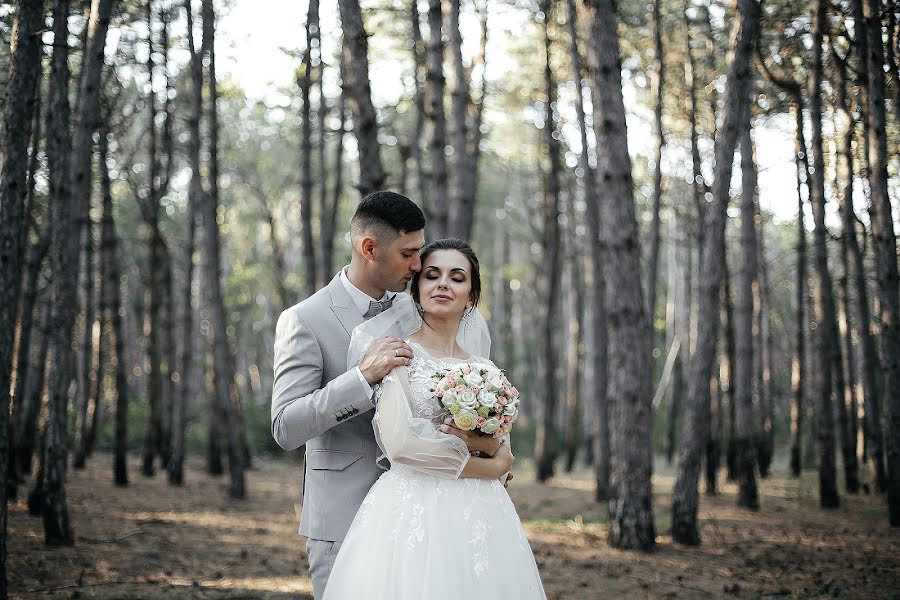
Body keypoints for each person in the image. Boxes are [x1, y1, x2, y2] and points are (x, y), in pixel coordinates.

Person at [271, 193, 510, 598]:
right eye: (409, 254)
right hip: (343, 517)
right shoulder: (305, 321)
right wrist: (361, 379)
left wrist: (487, 446)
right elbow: (285, 427)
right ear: (369, 248)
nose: (419, 267)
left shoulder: (420, 309)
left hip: (435, 518)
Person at [321, 238, 545, 600]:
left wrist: (490, 451)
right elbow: (402, 446)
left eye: (457, 278)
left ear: (471, 295)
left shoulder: (485, 369)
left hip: (480, 514)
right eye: (432, 275)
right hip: (414, 509)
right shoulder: (399, 355)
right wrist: (492, 467)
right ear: (417, 288)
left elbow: (501, 445)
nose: (443, 284)